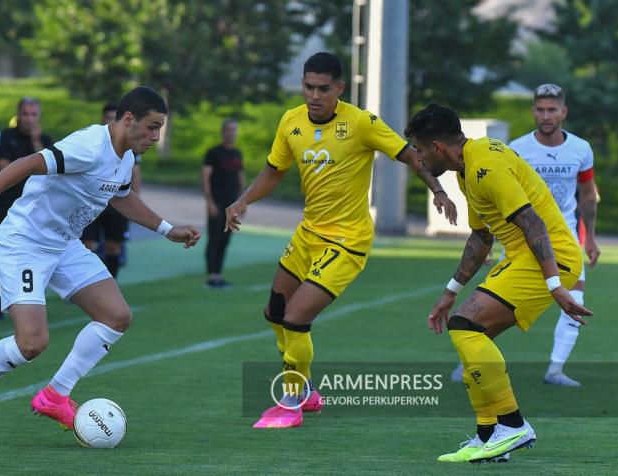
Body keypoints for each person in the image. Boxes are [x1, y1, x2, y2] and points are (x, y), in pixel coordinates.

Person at [0, 86, 200, 437]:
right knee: (32, 344)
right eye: (152, 126)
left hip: (63, 245)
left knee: (116, 316)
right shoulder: (89, 146)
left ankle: (55, 396)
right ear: (128, 119)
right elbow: (28, 163)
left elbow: (123, 198)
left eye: (160, 128)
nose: (156, 137)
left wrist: (167, 229)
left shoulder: (125, 157)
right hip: (24, 242)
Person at [225, 52, 457, 429]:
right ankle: (307, 391)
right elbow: (273, 170)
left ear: (339, 89)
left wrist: (438, 191)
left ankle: (290, 399)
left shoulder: (360, 123)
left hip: (347, 242)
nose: (314, 95)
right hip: (307, 235)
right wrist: (243, 200)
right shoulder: (291, 121)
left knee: (297, 319)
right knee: (274, 315)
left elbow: (411, 156)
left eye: (323, 88)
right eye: (308, 87)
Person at [406, 104, 591, 463]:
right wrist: (450, 292)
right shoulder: (468, 168)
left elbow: (533, 224)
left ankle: (512, 425)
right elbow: (481, 238)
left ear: (438, 147)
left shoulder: (486, 169)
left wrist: (555, 286)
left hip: (549, 257)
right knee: (471, 334)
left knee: (465, 328)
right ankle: (489, 436)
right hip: (524, 257)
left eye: (421, 149)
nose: (419, 158)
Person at [509, 83, 599, 386]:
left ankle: (555, 370)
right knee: (503, 302)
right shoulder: (517, 149)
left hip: (565, 239)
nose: (546, 115)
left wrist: (592, 239)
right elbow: (502, 197)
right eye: (540, 109)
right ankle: (470, 361)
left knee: (575, 299)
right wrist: (495, 241)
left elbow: (587, 196)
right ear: (534, 111)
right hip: (523, 238)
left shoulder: (581, 149)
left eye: (552, 109)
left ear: (564, 112)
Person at [0, 98, 55, 319]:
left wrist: (36, 141)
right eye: (25, 114)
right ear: (18, 115)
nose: (29, 119)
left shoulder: (45, 141)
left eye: (33, 115)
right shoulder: (5, 136)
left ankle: (29, 303)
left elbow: (51, 173)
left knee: (35, 255)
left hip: (36, 210)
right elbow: (3, 169)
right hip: (8, 205)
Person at [81, 102, 141, 279]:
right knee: (88, 244)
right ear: (102, 119)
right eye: (108, 117)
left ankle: (111, 284)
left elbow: (134, 173)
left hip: (116, 203)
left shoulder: (129, 148)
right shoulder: (93, 143)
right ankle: (82, 286)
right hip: (92, 201)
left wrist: (135, 202)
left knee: (113, 246)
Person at [202, 118, 245, 288]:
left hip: (232, 204)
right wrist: (210, 202)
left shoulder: (237, 153)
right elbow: (205, 177)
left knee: (226, 238)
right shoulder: (213, 153)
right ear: (223, 131)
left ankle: (219, 274)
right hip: (217, 202)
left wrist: (243, 201)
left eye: (234, 130)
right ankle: (212, 276)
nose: (231, 133)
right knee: (215, 237)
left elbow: (241, 177)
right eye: (228, 129)